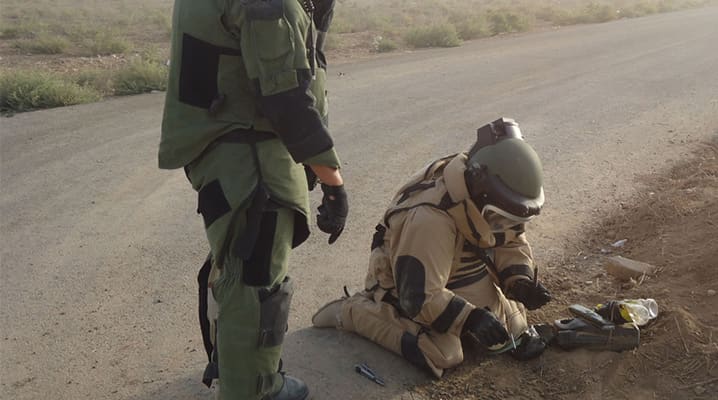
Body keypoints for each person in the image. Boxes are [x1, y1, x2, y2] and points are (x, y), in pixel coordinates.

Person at [158, 1, 346, 399]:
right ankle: (257, 389)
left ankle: (240, 371)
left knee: (234, 273)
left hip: (222, 146)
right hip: (248, 157)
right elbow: (287, 100)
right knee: (256, 285)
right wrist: (332, 182)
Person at [312, 118, 551, 378]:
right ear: (482, 195)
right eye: (502, 217)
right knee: (443, 352)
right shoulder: (429, 219)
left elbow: (511, 238)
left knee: (514, 327)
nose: (506, 224)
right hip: (404, 280)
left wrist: (520, 281)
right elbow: (419, 296)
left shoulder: (483, 189)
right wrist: (469, 318)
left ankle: (468, 312)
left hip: (452, 264)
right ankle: (354, 311)